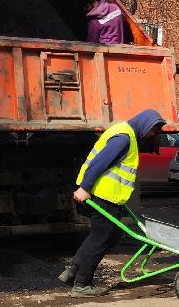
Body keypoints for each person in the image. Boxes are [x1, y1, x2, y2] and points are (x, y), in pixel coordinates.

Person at [61, 108, 165, 296]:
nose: (152, 134)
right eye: (153, 130)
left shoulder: (127, 133)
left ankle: (74, 271)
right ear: (144, 124)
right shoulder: (123, 138)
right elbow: (99, 163)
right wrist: (84, 187)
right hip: (102, 196)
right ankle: (82, 284)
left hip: (110, 197)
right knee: (101, 239)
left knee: (109, 235)